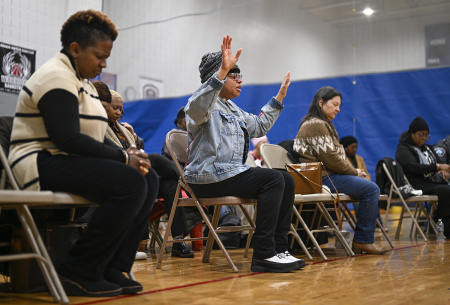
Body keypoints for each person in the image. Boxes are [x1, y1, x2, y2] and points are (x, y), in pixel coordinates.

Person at [8, 10, 159, 297]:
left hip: (63, 160)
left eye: (106, 58)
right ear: (75, 49)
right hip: (36, 162)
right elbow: (67, 139)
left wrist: (127, 156)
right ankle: (79, 270)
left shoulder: (83, 82)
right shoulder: (55, 75)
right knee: (130, 183)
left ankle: (115, 267)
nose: (103, 64)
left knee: (148, 178)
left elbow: (87, 139)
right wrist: (123, 158)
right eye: (99, 56)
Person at [184, 35, 303, 273]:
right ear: (216, 76)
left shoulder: (231, 108)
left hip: (228, 174)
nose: (240, 81)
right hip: (206, 178)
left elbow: (258, 127)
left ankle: (279, 248)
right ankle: (263, 253)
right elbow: (195, 109)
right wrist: (220, 74)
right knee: (272, 180)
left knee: (286, 178)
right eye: (233, 75)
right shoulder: (202, 105)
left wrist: (279, 97)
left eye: (240, 75)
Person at [92, 80, 197, 258]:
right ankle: (190, 180)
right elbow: (120, 153)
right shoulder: (99, 127)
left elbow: (138, 146)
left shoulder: (123, 129)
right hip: (120, 174)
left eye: (121, 110)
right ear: (103, 107)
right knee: (155, 159)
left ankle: (178, 241)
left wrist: (133, 135)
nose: (118, 113)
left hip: (137, 173)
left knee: (171, 184)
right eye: (114, 108)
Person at [294, 86, 389, 255]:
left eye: (340, 105)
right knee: (371, 189)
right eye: (335, 104)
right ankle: (363, 241)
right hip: (320, 179)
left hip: (328, 176)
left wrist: (353, 172)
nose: (338, 109)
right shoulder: (315, 125)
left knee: (368, 187)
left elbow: (333, 159)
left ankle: (362, 239)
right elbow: (330, 159)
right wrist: (354, 172)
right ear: (321, 102)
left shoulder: (324, 124)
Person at [395, 116, 450, 236]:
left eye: (426, 135)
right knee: (446, 190)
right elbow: (414, 167)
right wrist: (437, 167)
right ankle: (440, 223)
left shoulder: (427, 148)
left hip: (430, 181)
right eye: (421, 135)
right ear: (412, 133)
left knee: (446, 188)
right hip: (414, 184)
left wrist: (443, 172)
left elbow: (437, 163)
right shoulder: (403, 148)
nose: (424, 138)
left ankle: (438, 222)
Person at [340, 136, 386, 231]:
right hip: (349, 186)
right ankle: (362, 224)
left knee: (373, 194)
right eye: (352, 147)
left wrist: (365, 181)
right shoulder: (340, 159)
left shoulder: (359, 159)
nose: (355, 149)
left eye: (356, 147)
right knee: (359, 197)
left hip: (362, 184)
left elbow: (367, 174)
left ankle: (378, 223)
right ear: (345, 147)